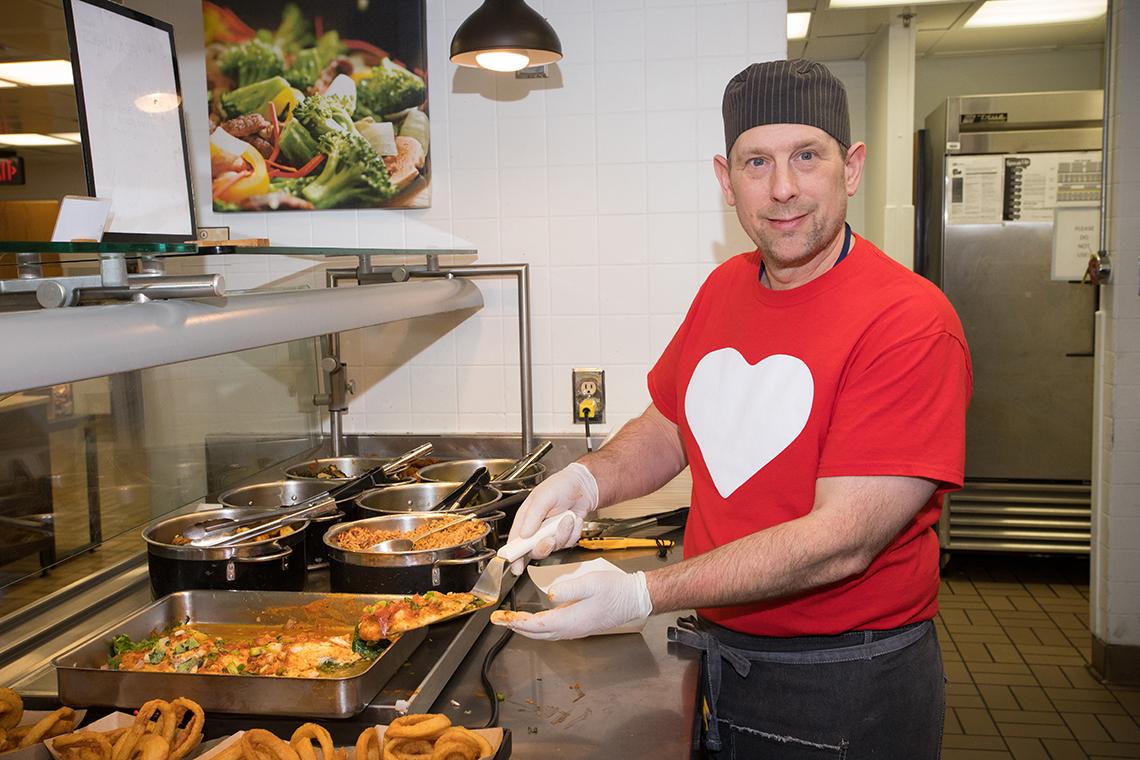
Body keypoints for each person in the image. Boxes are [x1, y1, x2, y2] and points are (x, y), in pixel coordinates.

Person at [492, 59, 972, 758]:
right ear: (726, 179)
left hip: (844, 680)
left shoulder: (909, 320)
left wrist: (643, 594)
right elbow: (670, 425)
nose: (782, 189)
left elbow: (844, 538)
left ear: (852, 166)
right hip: (722, 656)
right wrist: (586, 481)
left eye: (807, 156)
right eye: (757, 162)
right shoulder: (725, 287)